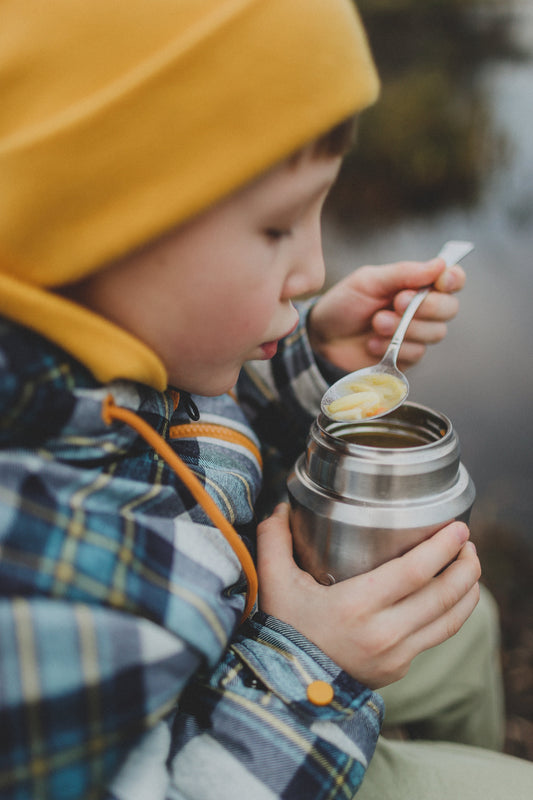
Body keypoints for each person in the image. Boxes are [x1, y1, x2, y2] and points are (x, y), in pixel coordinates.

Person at [0, 2, 532, 799]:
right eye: (278, 226)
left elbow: (183, 435)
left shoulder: (116, 348)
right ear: (94, 222)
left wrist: (309, 362)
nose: (313, 267)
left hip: (235, 650)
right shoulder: (28, 561)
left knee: (468, 631)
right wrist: (304, 666)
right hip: (244, 734)